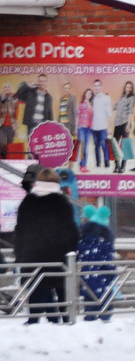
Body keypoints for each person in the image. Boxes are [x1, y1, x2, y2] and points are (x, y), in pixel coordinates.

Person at [13, 166, 79, 324]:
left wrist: (20, 255)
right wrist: (72, 253)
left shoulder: (28, 201)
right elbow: (71, 231)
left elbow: (20, 230)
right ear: (57, 182)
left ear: (38, 182)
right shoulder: (62, 202)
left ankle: (34, 325)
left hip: (32, 257)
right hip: (58, 258)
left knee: (36, 295)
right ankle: (67, 323)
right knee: (63, 294)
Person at [77, 204, 116, 321]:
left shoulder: (83, 239)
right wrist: (112, 275)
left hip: (87, 277)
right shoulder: (104, 241)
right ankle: (104, 328)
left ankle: (90, 327)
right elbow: (108, 261)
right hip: (102, 278)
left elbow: (79, 256)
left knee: (90, 306)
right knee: (105, 308)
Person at [16, 74, 55, 142]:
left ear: (47, 82)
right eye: (40, 81)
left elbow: (50, 113)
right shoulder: (31, 92)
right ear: (38, 82)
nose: (42, 83)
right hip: (31, 124)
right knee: (31, 146)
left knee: (41, 146)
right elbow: (19, 95)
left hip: (42, 126)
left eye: (44, 81)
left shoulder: (49, 97)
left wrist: (51, 127)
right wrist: (26, 85)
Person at [112, 81, 135, 173]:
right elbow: (114, 107)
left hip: (125, 123)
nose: (128, 89)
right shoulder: (121, 98)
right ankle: (116, 166)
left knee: (125, 146)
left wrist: (128, 125)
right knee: (115, 145)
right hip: (117, 123)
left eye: (130, 87)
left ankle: (123, 167)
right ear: (125, 88)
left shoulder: (132, 98)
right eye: (127, 87)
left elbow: (130, 112)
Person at [90, 80, 114, 170]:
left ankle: (107, 164)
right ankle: (98, 164)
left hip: (103, 127)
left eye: (98, 86)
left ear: (101, 87)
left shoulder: (106, 98)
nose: (96, 88)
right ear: (93, 87)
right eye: (95, 86)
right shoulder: (92, 99)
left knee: (104, 145)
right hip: (93, 127)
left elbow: (109, 114)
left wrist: (109, 127)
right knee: (96, 146)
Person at [76, 87, 95, 172]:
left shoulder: (92, 105)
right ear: (85, 94)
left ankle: (84, 165)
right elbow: (77, 116)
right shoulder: (81, 104)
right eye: (88, 93)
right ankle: (82, 165)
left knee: (86, 147)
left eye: (90, 94)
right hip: (81, 128)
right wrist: (77, 128)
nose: (89, 95)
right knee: (82, 147)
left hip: (88, 128)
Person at [0, 82, 18, 159]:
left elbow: (16, 114)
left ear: (11, 89)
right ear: (3, 89)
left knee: (10, 145)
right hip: (2, 125)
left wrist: (16, 129)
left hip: (12, 126)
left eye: (8, 87)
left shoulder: (15, 99)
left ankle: (9, 160)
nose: (7, 88)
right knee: (2, 144)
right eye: (5, 87)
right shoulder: (0, 99)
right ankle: (4, 161)